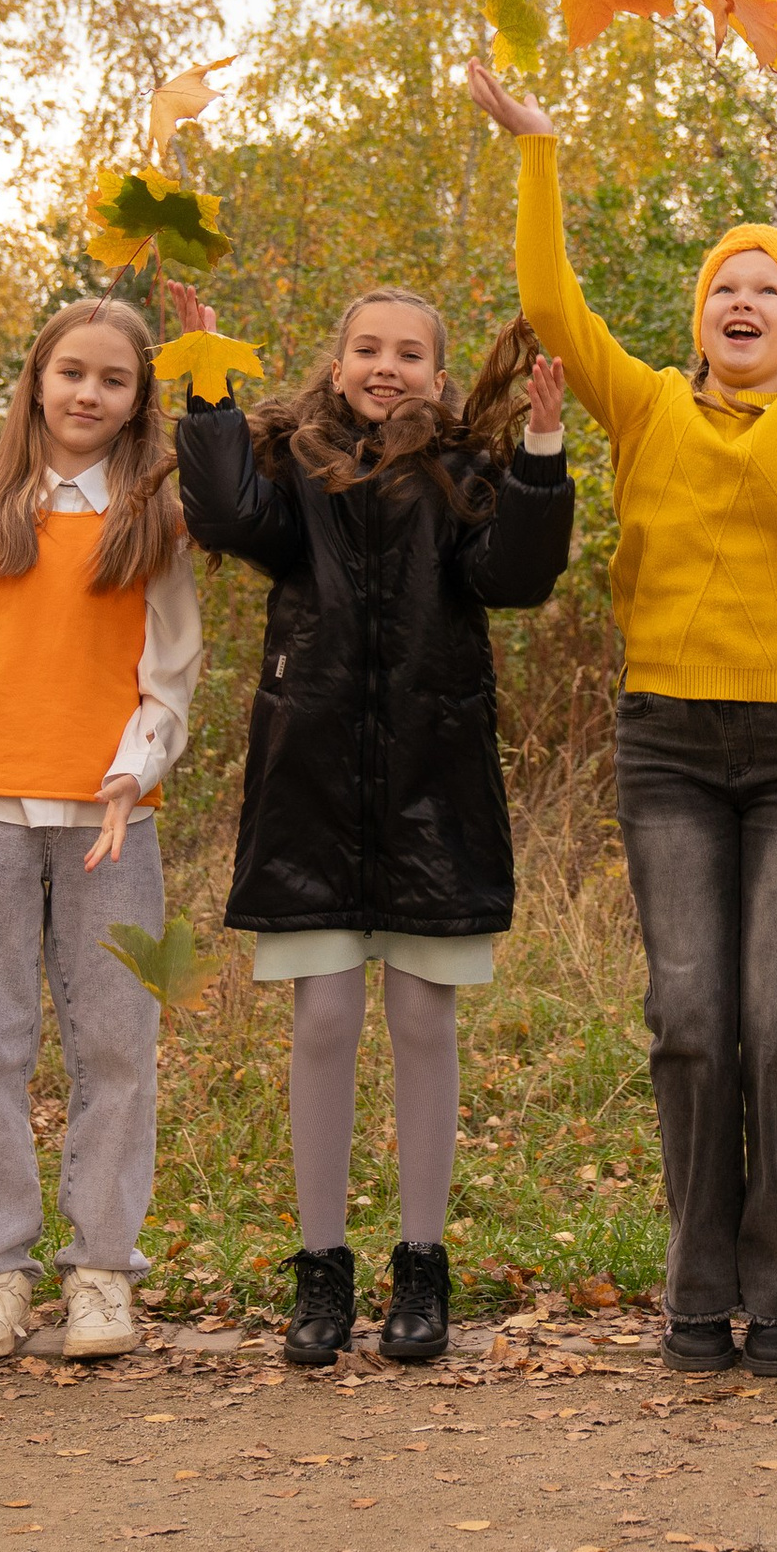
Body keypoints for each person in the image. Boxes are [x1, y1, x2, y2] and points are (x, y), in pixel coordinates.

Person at [467, 57, 777, 1381]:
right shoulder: (642, 410)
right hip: (672, 748)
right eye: (724, 290)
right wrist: (539, 152)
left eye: (770, 292)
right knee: (692, 1019)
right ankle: (697, 1287)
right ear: (700, 323)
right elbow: (548, 305)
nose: (744, 302)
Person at [172, 279, 572, 1367]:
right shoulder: (292, 473)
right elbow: (222, 518)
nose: (385, 365)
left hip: (434, 793)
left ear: (439, 378)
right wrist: (208, 392)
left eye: (408, 352)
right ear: (336, 363)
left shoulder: (464, 474)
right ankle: (320, 1271)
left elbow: (517, 577)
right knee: (323, 1023)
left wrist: (541, 448)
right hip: (311, 790)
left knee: (426, 1024)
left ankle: (422, 1266)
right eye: (365, 348)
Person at [0, 300, 200, 1364]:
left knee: (117, 1044)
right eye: (70, 371)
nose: (86, 393)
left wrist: (133, 767)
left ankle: (104, 1270)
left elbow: (170, 676)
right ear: (36, 381)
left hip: (111, 822)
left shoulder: (154, 526)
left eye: (111, 380)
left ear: (135, 402)